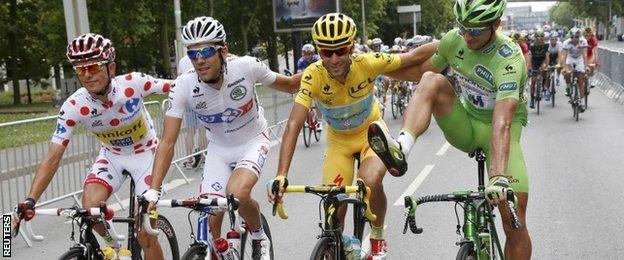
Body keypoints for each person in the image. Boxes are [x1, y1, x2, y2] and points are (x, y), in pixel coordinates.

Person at [366, 0, 532, 258]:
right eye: (463, 27)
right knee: (431, 79)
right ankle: (402, 148)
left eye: (476, 30)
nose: (467, 36)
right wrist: (373, 70)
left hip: (500, 136)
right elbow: (420, 70)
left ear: (496, 25)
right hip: (465, 126)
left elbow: (503, 122)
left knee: (514, 222)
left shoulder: (509, 58)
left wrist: (497, 176)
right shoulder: (456, 41)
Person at [267, 13, 437, 259]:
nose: (334, 59)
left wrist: (456, 38)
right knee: (334, 209)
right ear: (318, 51)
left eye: (341, 50)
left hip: (371, 134)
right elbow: (294, 123)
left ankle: (377, 236)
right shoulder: (312, 75)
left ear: (352, 47)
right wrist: (281, 174)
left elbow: (413, 57)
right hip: (339, 142)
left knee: (370, 180)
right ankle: (338, 243)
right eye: (326, 52)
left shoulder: (367, 62)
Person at [143, 16, 301, 260]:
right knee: (211, 214)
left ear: (223, 51)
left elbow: (291, 85)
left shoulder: (247, 67)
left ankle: (259, 235)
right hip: (218, 148)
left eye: (206, 51)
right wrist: (154, 190)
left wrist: (322, 66)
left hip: (252, 140)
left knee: (236, 194)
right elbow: (167, 142)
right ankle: (222, 248)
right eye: (193, 54)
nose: (200, 60)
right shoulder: (183, 86)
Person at [12, 33, 170, 259]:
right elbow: (53, 157)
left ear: (111, 67)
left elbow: (181, 86)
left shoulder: (134, 84)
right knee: (90, 206)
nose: (87, 75)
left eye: (94, 67)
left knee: (145, 235)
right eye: (80, 69)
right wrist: (30, 200)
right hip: (112, 156)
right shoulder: (75, 105)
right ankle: (113, 246)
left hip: (147, 155)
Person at [178, 55, 207, 169]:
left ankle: (189, 159)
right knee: (202, 130)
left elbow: (179, 79)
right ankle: (204, 157)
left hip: (188, 97)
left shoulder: (182, 60)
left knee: (190, 131)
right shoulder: (201, 57)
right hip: (201, 96)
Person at [560, 27, 589, 110]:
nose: (574, 39)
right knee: (567, 73)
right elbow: (564, 56)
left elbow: (585, 55)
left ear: (579, 37)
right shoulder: (566, 43)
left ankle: (581, 101)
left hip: (579, 59)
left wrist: (586, 66)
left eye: (576, 37)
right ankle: (568, 86)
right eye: (572, 37)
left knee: (581, 80)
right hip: (570, 58)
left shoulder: (583, 42)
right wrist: (564, 68)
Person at [528, 30, 550, 107]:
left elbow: (547, 56)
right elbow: (529, 58)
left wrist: (546, 66)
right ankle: (532, 99)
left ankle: (544, 86)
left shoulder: (546, 45)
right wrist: (529, 68)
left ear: (544, 38)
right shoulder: (532, 46)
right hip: (535, 61)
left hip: (542, 60)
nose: (539, 39)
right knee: (533, 81)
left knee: (544, 70)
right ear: (535, 38)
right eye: (538, 38)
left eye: (541, 37)